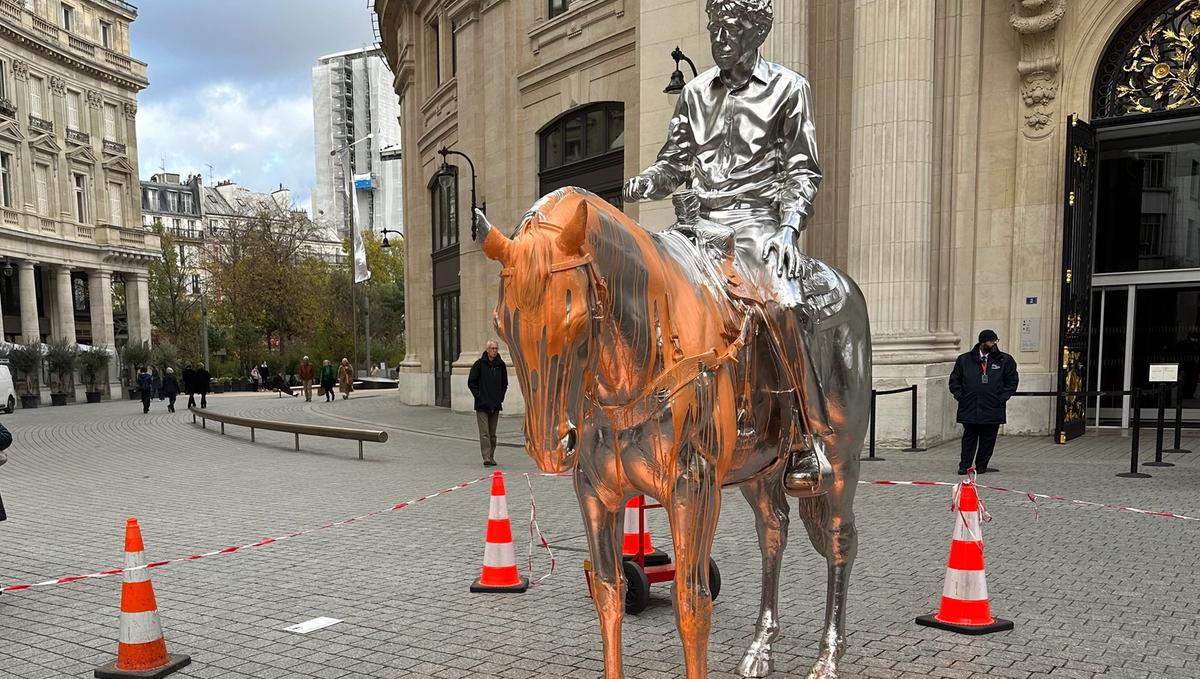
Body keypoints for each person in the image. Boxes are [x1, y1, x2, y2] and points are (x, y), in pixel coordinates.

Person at [623, 0, 828, 497]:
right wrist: (640, 185)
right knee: (635, 288)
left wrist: (788, 230)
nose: (721, 34)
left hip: (757, 226)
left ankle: (806, 434)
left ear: (758, 30)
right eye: (715, 25)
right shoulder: (693, 93)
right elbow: (672, 165)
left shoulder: (788, 88)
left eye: (733, 25)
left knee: (781, 303)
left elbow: (803, 171)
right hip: (698, 227)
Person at [949, 329, 1020, 475]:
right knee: (969, 437)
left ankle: (981, 465)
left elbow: (1012, 381)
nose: (994, 343)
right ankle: (965, 465)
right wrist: (961, 396)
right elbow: (955, 380)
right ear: (982, 342)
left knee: (988, 439)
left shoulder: (1004, 360)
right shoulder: (964, 360)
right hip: (970, 406)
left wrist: (1002, 397)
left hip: (993, 407)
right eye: (991, 341)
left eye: (995, 341)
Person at [468, 340, 509, 466]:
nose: (494, 351)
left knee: (492, 434)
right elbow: (471, 382)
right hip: (482, 405)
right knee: (484, 433)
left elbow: (504, 383)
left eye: (496, 348)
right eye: (492, 348)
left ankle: (491, 456)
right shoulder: (479, 364)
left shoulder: (501, 365)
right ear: (487, 350)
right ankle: (486, 457)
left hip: (495, 404)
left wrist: (500, 398)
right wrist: (479, 396)